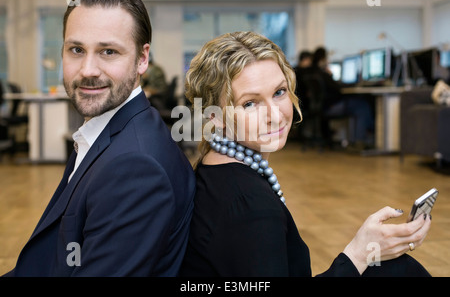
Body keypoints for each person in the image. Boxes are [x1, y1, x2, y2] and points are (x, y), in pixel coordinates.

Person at [179, 31, 431, 277]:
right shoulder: (251, 206)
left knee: (396, 267)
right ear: (216, 116)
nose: (275, 115)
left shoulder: (212, 164)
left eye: (279, 92)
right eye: (250, 103)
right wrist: (359, 253)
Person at [3, 0, 195, 277]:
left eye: (108, 51)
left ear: (142, 59)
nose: (88, 70)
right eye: (76, 49)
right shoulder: (106, 133)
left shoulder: (136, 168)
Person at [310, 47, 374, 150]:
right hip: (330, 107)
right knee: (361, 105)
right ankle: (360, 142)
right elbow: (337, 88)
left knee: (357, 103)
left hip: (322, 107)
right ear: (323, 59)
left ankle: (357, 139)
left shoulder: (313, 72)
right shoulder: (323, 74)